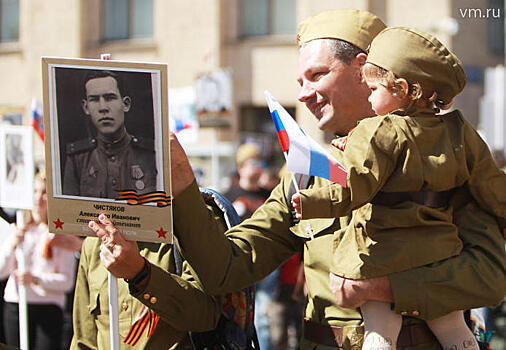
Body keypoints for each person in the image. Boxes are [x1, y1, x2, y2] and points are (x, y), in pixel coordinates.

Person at [87, 9, 506, 349]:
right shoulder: (307, 172)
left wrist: (384, 287)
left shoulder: (445, 153)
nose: (304, 94)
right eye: (300, 81)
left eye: (317, 74)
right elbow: (227, 269)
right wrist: (181, 188)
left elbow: (491, 274)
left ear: (365, 70)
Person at [291, 26, 505, 350]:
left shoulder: (379, 130)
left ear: (401, 88)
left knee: (380, 334)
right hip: (439, 253)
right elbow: (491, 184)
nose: (369, 95)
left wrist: (312, 201)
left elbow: (354, 185)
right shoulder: (460, 131)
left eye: (374, 88)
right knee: (456, 332)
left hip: (381, 254)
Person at [72, 214, 225, 349]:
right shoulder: (94, 243)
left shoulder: (189, 225)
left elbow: (204, 316)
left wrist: (140, 275)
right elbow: (84, 339)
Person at [0, 172, 77, 350]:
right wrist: (12, 245)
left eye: (44, 193)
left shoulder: (61, 233)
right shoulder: (18, 229)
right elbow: (2, 271)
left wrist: (35, 279)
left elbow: (66, 282)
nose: (38, 198)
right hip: (17, 304)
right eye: (34, 191)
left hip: (48, 307)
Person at [63, 70, 157, 199]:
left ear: (125, 104)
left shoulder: (150, 155)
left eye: (110, 98)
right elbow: (70, 211)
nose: (103, 107)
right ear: (86, 108)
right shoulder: (78, 160)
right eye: (94, 100)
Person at [225, 143, 275, 350]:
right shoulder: (228, 194)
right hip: (239, 263)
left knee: (263, 320)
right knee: (237, 318)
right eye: (253, 162)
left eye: (260, 163)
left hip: (268, 264)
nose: (258, 167)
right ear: (241, 168)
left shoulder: (269, 195)